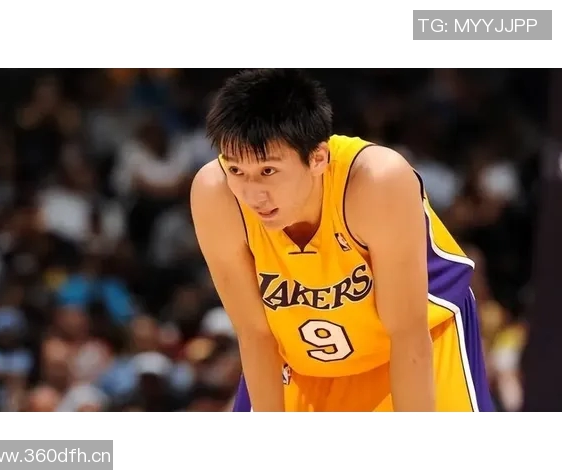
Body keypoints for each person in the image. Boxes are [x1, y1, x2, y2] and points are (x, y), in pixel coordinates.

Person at [190, 69, 493, 412]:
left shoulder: (376, 182)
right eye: (236, 171)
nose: (252, 194)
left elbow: (408, 334)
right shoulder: (216, 195)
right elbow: (255, 335)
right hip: (303, 365)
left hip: (420, 345)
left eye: (268, 171)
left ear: (317, 158)